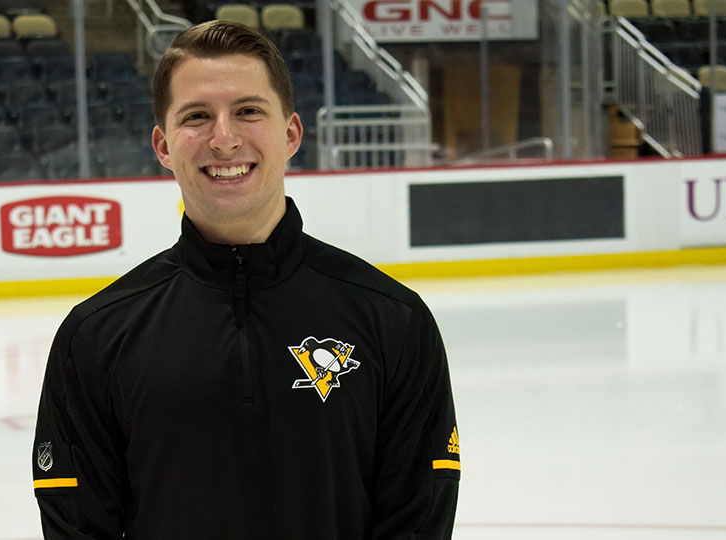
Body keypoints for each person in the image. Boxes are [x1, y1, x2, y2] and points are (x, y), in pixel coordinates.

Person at [32, 20, 460, 539]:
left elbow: (415, 522)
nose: (224, 138)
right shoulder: (95, 338)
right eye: (196, 117)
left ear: (291, 134)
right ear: (163, 146)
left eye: (248, 111)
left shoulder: (393, 321)